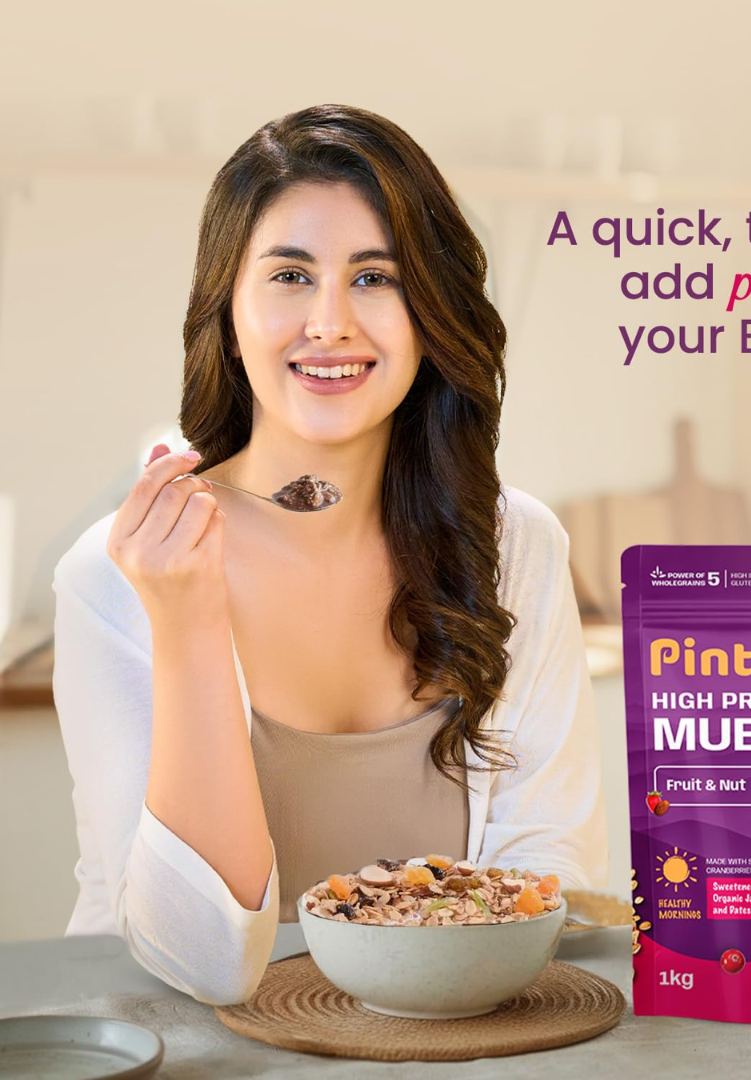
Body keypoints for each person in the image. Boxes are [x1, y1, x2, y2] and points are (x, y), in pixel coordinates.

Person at [51, 104, 608, 1006]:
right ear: (228, 311)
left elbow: (550, 884)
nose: (330, 322)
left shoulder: (514, 545)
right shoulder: (118, 574)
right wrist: (188, 622)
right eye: (289, 275)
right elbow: (204, 962)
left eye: (375, 277)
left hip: (449, 1034)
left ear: (431, 313)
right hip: (176, 1045)